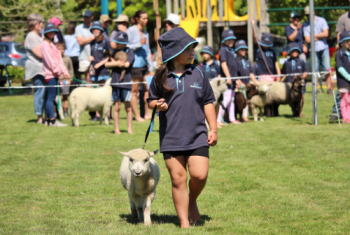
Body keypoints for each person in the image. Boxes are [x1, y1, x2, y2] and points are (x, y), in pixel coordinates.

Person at [147, 27, 217, 228]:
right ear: (175, 52)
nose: (193, 51)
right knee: (178, 180)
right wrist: (156, 105)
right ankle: (184, 224)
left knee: (199, 175)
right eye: (188, 48)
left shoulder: (199, 73)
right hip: (171, 137)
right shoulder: (160, 75)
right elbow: (150, 101)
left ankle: (192, 199)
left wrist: (213, 129)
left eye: (193, 48)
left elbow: (208, 102)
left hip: (197, 135)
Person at [41, 23, 70, 127]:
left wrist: (65, 72)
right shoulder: (45, 44)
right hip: (50, 75)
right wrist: (58, 73)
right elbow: (50, 61)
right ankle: (52, 121)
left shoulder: (53, 45)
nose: (52, 33)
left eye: (53, 31)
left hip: (54, 75)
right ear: (46, 33)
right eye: (49, 31)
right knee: (51, 97)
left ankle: (48, 120)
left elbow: (59, 60)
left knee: (51, 97)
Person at [126, 10, 154, 122]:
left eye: (146, 18)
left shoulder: (146, 33)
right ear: (137, 19)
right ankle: (137, 116)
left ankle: (147, 113)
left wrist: (150, 65)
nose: (146, 20)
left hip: (145, 66)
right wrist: (138, 44)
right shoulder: (131, 30)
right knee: (134, 91)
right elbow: (126, 46)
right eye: (144, 18)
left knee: (148, 88)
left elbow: (147, 50)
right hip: (135, 65)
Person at [105, 31, 134, 134]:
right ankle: (116, 129)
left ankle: (129, 128)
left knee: (127, 107)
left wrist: (115, 63)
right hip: (115, 82)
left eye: (119, 42)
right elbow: (107, 64)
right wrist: (116, 63)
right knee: (116, 107)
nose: (117, 44)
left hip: (126, 82)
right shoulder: (113, 52)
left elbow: (127, 64)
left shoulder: (130, 51)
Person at [303, 5, 332, 94]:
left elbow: (326, 34)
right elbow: (307, 40)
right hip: (313, 49)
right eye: (307, 15)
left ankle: (329, 88)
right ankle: (315, 89)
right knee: (314, 70)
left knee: (327, 69)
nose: (308, 16)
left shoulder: (322, 20)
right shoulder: (306, 25)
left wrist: (313, 36)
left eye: (310, 14)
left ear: (314, 12)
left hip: (323, 48)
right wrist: (320, 35)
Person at [217, 29, 241, 126]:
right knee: (225, 100)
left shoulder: (232, 50)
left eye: (232, 39)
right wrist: (228, 77)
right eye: (228, 39)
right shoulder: (223, 49)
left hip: (232, 80)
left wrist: (237, 79)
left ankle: (232, 119)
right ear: (224, 40)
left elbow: (234, 66)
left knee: (232, 100)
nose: (231, 41)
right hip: (227, 80)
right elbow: (223, 63)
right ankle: (218, 119)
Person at [24, 13, 45, 124]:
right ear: (33, 23)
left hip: (44, 69)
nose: (42, 24)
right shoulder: (31, 36)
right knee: (40, 92)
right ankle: (39, 118)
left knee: (45, 92)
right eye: (39, 22)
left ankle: (47, 115)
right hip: (36, 69)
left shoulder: (40, 35)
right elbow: (40, 54)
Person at [235, 40, 259, 121]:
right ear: (237, 50)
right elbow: (235, 73)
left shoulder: (247, 60)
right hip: (239, 85)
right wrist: (240, 82)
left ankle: (245, 116)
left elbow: (250, 73)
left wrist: (256, 82)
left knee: (246, 101)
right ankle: (237, 117)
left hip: (247, 84)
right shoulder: (235, 60)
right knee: (239, 101)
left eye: (245, 49)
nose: (243, 51)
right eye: (241, 49)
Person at [281, 42, 308, 117]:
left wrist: (302, 78)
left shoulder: (301, 61)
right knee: (292, 99)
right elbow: (283, 74)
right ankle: (294, 111)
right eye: (293, 51)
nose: (295, 52)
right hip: (290, 85)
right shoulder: (286, 62)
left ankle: (300, 112)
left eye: (296, 51)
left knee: (301, 97)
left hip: (301, 85)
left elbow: (305, 71)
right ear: (289, 52)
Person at [75, 9, 96, 82]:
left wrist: (85, 40)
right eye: (84, 17)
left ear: (92, 17)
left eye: (87, 17)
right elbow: (80, 42)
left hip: (95, 56)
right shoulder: (79, 28)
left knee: (95, 77)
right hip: (84, 57)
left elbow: (99, 38)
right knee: (88, 77)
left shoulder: (95, 26)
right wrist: (93, 37)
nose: (85, 19)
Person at [335, 31, 350, 124]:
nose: (349, 43)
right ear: (341, 43)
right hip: (343, 81)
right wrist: (348, 77)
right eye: (347, 41)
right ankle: (345, 117)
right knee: (345, 100)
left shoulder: (349, 52)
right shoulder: (339, 53)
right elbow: (340, 68)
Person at [57, 42, 74, 118]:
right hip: (57, 81)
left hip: (65, 81)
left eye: (63, 49)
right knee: (57, 97)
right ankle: (57, 111)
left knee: (65, 97)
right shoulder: (54, 59)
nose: (61, 50)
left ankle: (65, 111)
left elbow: (71, 69)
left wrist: (70, 79)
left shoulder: (67, 58)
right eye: (59, 49)